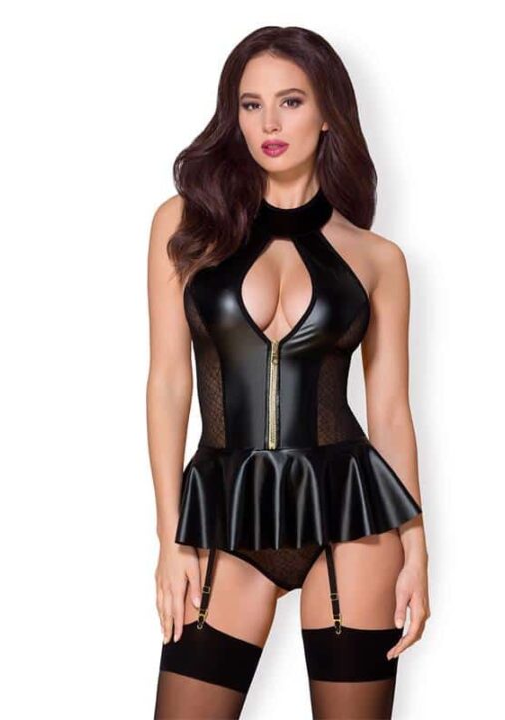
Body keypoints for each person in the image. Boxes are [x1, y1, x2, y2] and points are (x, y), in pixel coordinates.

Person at [148, 26, 430, 720]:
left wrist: (417, 547)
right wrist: (171, 539)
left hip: (354, 520)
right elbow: (169, 384)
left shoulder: (377, 259)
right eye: (251, 105)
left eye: (291, 101)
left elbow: (390, 410)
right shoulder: (185, 225)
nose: (269, 124)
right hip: (226, 513)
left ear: (328, 111)